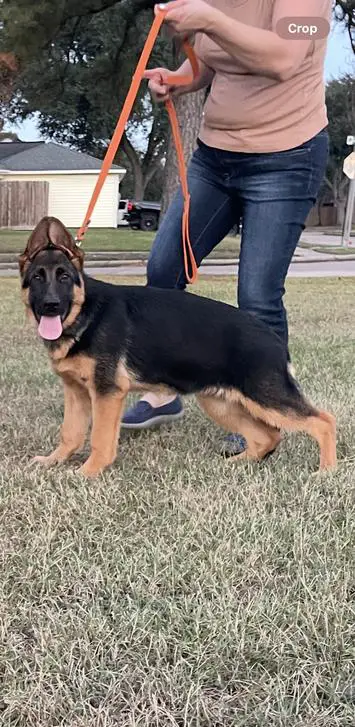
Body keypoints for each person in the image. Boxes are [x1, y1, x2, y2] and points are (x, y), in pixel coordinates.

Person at [122, 0, 331, 455]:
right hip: (215, 158)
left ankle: (263, 406)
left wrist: (210, 19)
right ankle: (162, 390)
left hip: (286, 156)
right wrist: (177, 80)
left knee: (257, 293)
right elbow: (211, 66)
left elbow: (281, 58)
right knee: (163, 270)